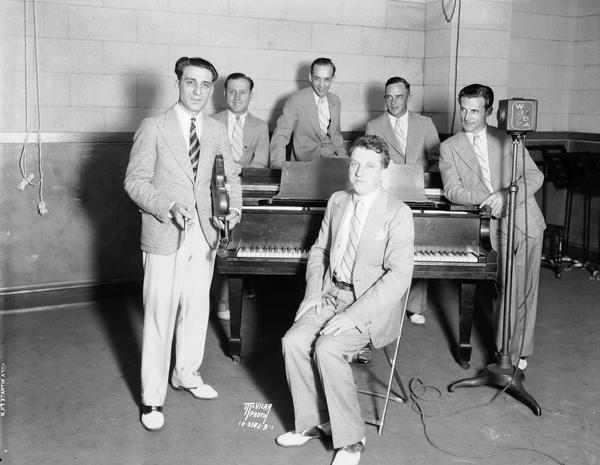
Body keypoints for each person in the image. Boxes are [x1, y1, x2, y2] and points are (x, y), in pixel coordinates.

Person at [277, 135, 414, 465]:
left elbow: (398, 277)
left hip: (367, 306)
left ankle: (352, 440)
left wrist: (352, 316)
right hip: (329, 294)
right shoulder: (338, 200)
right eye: (355, 163)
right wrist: (312, 296)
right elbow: (319, 251)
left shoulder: (398, 212)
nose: (360, 172)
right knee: (293, 342)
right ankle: (314, 422)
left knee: (327, 348)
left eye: (369, 166)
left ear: (383, 170)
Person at [124, 57, 242, 431]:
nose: (198, 91)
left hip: (203, 232)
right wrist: (166, 207)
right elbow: (135, 181)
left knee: (195, 308)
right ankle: (152, 398)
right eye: (191, 83)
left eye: (206, 85)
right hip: (163, 231)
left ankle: (186, 374)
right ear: (178, 83)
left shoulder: (217, 129)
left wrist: (233, 210)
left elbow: (231, 176)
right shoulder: (153, 127)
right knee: (160, 315)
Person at [439, 84, 545, 370]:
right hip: (492, 228)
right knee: (508, 288)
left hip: (526, 222)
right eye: (463, 109)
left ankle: (518, 353)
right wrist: (490, 198)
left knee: (525, 292)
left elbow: (535, 176)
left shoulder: (508, 139)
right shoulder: (449, 147)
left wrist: (506, 195)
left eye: (474, 110)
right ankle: (504, 354)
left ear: (488, 111)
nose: (467, 116)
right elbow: (452, 190)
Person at [365, 76, 440, 325]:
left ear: (409, 96)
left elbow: (438, 160)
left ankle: (416, 305)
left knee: (418, 247)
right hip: (389, 198)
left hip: (420, 196)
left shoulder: (426, 124)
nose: (393, 101)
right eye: (389, 97)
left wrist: (425, 181)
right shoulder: (374, 125)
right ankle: (385, 304)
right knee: (386, 250)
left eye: (398, 96)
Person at [211, 72, 269, 320]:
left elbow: (261, 164)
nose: (237, 97)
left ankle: (233, 293)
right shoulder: (210, 121)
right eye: (232, 91)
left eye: (242, 92)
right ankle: (218, 298)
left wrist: (233, 173)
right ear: (224, 93)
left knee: (239, 244)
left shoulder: (260, 125)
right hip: (216, 190)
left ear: (251, 95)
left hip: (246, 191)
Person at [269, 57, 346, 168]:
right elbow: (280, 136)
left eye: (327, 79)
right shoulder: (296, 100)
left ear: (333, 79)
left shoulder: (335, 100)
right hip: (305, 164)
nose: (321, 85)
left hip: (332, 160)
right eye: (317, 78)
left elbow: (336, 136)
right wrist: (278, 167)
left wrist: (344, 161)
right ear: (310, 77)